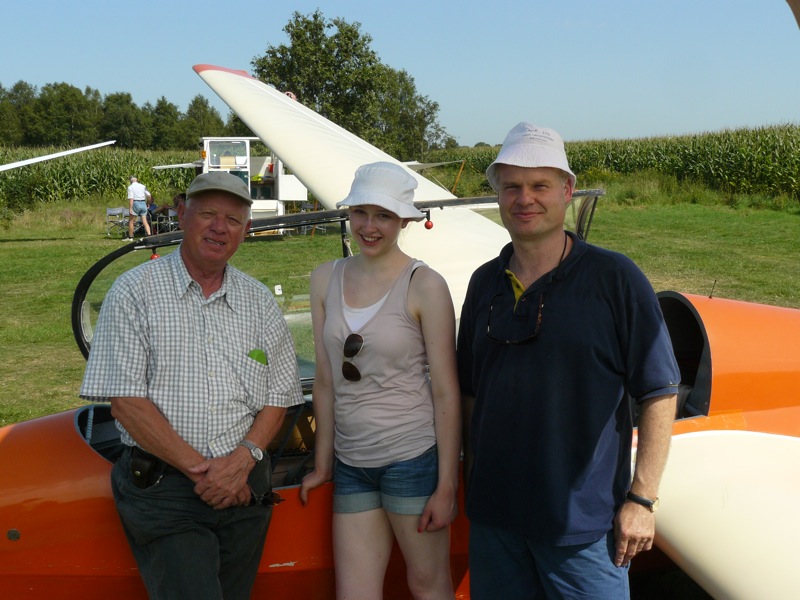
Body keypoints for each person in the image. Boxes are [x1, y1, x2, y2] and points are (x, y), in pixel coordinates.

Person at [456, 123, 680, 599]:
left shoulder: (615, 278)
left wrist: (642, 499)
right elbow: (471, 393)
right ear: (498, 195)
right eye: (512, 186)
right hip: (495, 521)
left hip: (583, 528)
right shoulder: (484, 283)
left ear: (567, 190)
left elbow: (659, 390)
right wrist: (472, 483)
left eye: (540, 185)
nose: (525, 199)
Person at [80, 171, 305, 599]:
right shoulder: (134, 292)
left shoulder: (259, 302)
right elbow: (127, 402)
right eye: (208, 214)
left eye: (233, 220)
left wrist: (242, 460)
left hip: (244, 487)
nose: (219, 227)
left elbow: (279, 397)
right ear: (182, 214)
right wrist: (207, 473)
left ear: (246, 230)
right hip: (167, 490)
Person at [299, 161, 461, 599]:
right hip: (352, 464)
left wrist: (446, 485)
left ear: (404, 220)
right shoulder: (325, 278)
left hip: (411, 458)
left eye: (383, 216)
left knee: (428, 584)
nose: (369, 227)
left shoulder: (424, 284)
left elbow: (445, 390)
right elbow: (326, 381)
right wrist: (323, 464)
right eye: (360, 213)